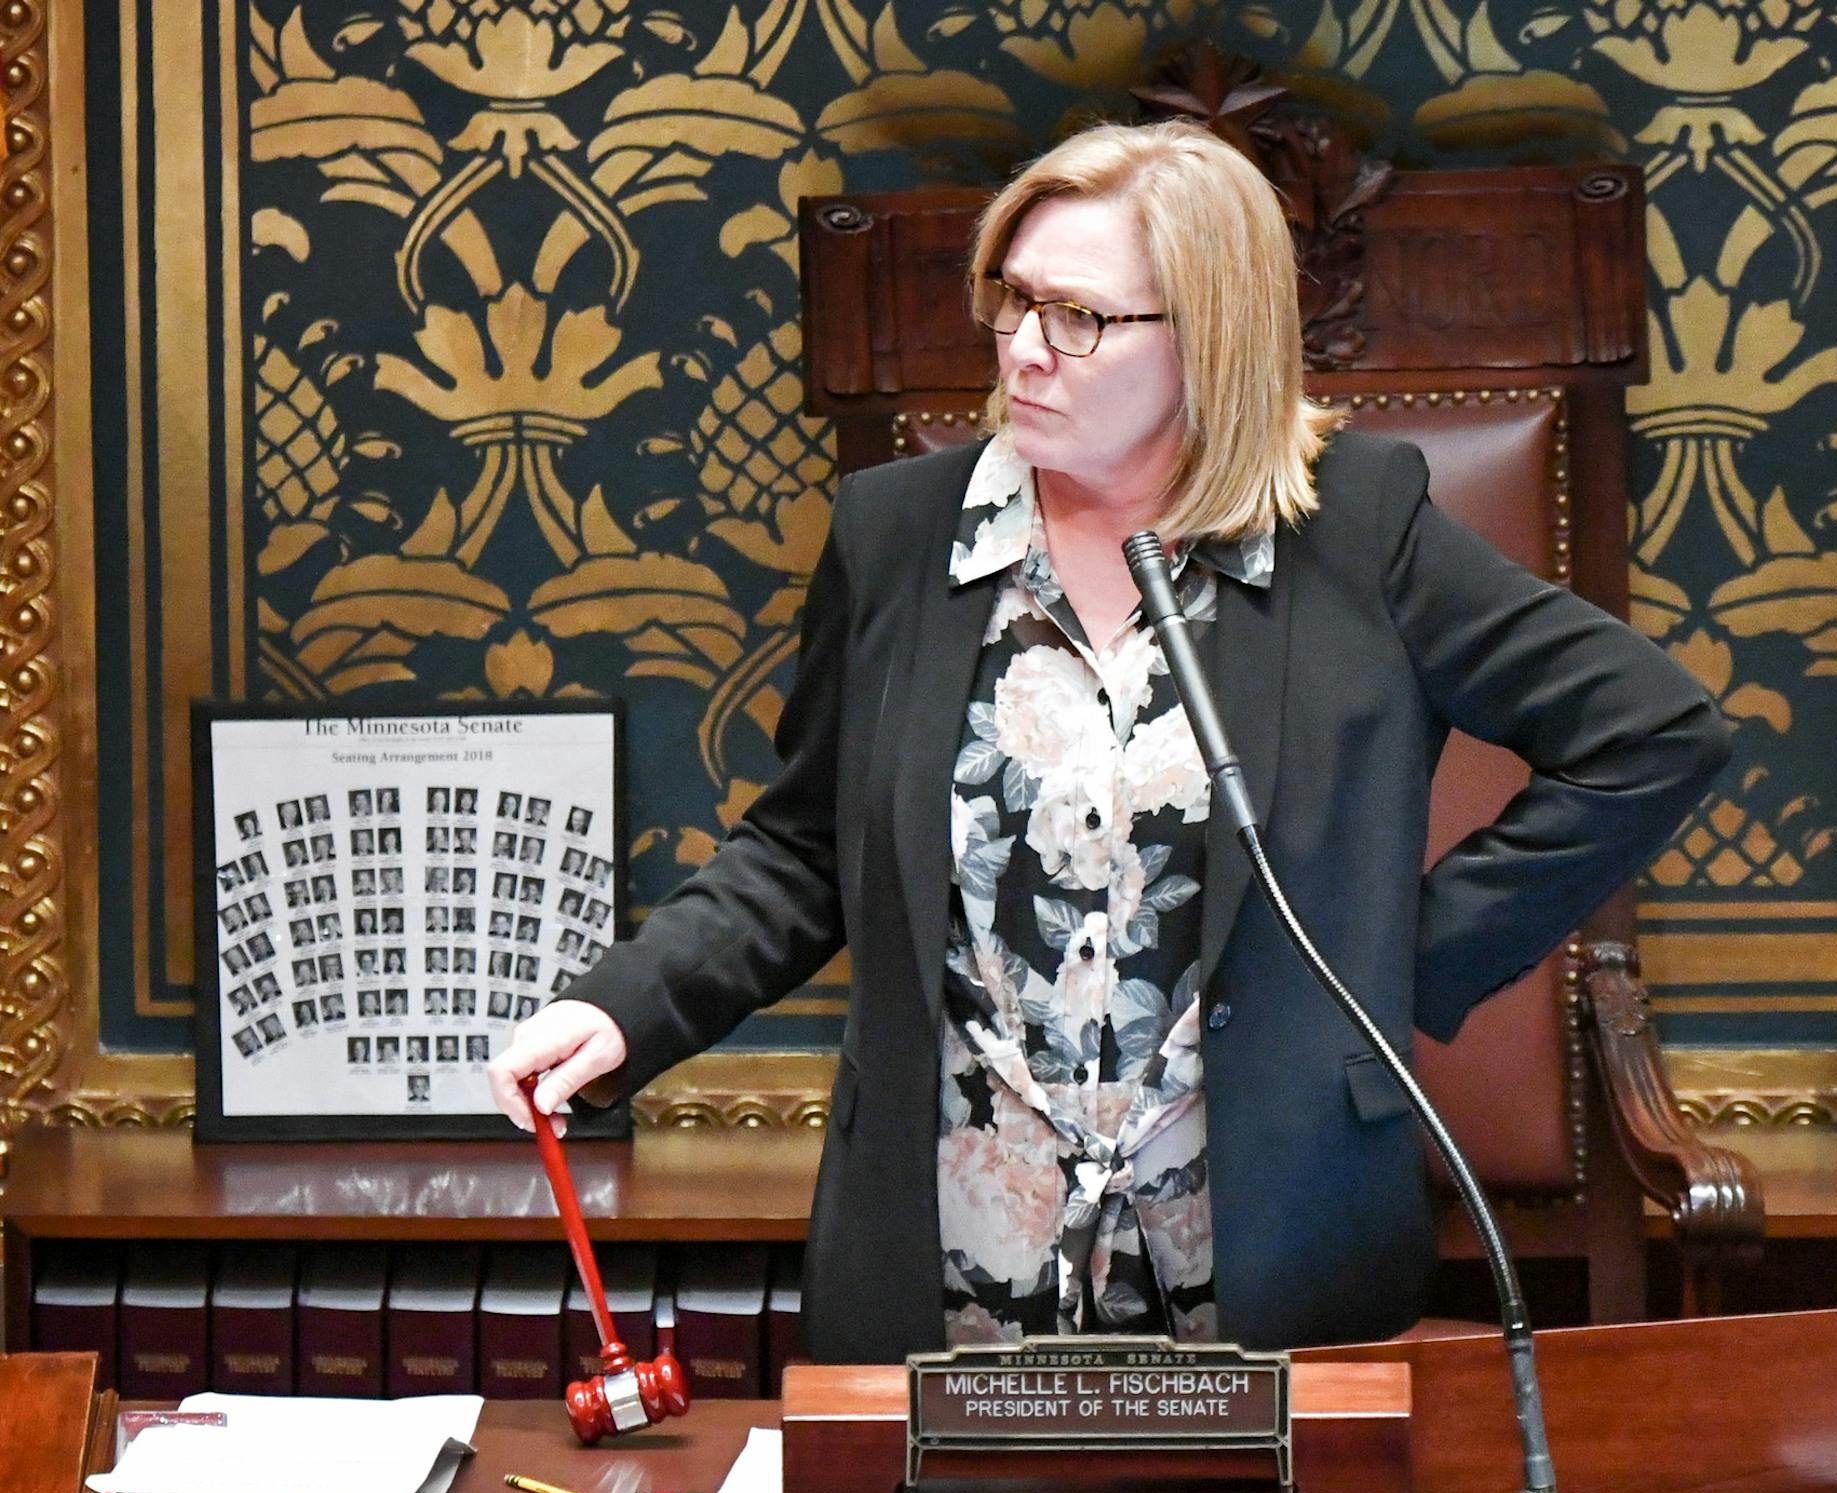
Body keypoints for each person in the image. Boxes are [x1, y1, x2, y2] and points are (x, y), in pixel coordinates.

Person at [488, 121, 1730, 1362]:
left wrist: (1404, 968)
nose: (1026, 348)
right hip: (949, 1253)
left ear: (1210, 336)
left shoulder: (1357, 533)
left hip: (1268, 1250)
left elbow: (1653, 733)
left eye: (1078, 317)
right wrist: (627, 1010)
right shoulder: (900, 536)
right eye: (1013, 300)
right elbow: (810, 845)